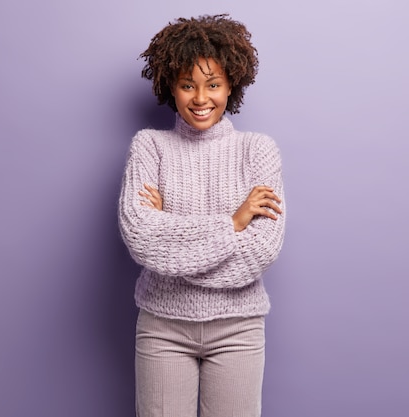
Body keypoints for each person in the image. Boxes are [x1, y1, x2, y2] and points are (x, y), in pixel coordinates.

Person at [118, 14, 285, 417]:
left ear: (232, 85)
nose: (200, 98)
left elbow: (261, 252)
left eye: (213, 85)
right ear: (169, 86)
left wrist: (172, 239)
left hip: (239, 328)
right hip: (162, 327)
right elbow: (141, 238)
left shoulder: (257, 151)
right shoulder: (149, 147)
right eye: (187, 85)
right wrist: (233, 222)